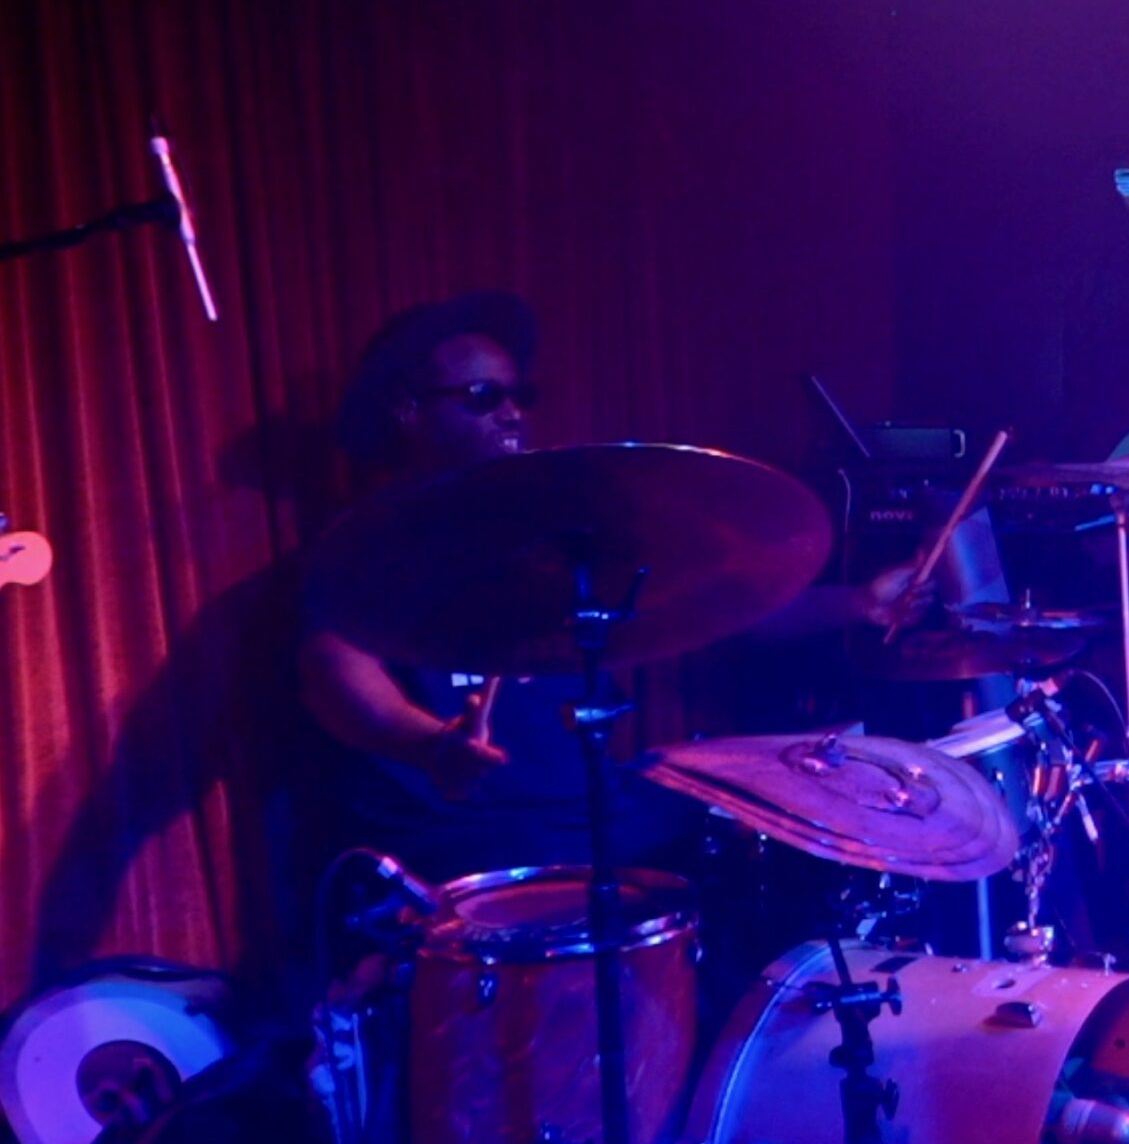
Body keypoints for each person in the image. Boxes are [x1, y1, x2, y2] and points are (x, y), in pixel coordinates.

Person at [299, 290, 911, 883]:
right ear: (408, 412)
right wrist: (435, 746)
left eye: (521, 395)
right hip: (464, 834)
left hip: (592, 812)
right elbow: (337, 669)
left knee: (789, 801)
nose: (514, 413)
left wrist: (858, 603)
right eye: (484, 396)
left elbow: (720, 604)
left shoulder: (554, 536)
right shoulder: (369, 548)